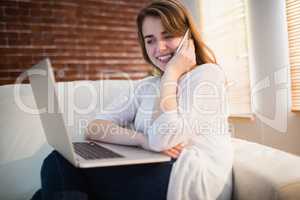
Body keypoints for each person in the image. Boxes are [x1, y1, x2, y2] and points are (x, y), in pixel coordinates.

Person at [32, 0, 233, 199]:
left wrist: (171, 74)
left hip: (185, 178)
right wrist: (140, 139)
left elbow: (162, 139)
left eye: (168, 36)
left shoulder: (207, 76)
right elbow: (94, 128)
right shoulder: (146, 86)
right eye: (150, 40)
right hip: (155, 167)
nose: (159, 48)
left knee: (57, 165)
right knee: (59, 174)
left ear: (188, 38)